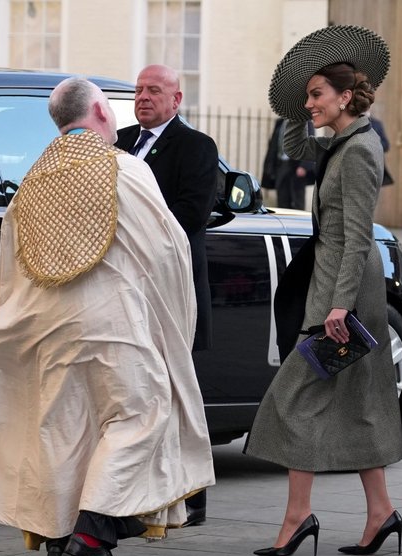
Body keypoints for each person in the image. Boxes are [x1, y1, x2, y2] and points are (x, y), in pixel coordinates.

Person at [0, 77, 215, 556]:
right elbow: (167, 250)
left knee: (64, 429)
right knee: (143, 414)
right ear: (98, 110)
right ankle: (92, 535)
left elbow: (10, 267)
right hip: (113, 324)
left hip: (44, 330)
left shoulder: (33, 179)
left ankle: (58, 544)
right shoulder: (125, 169)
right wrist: (170, 320)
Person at [245, 25, 402, 556]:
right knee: (357, 401)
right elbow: (296, 145)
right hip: (336, 286)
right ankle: (380, 513)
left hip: (343, 292)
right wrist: (303, 107)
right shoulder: (343, 142)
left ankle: (298, 516)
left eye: (316, 95)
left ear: (345, 95)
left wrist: (339, 304)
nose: (309, 103)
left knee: (294, 398)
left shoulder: (358, 150)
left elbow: (358, 234)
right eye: (308, 96)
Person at [116, 64, 219, 526]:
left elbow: (190, 215)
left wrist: (128, 234)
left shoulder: (197, 147)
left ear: (176, 100)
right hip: (124, 284)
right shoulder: (117, 142)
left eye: (154, 90)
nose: (143, 97)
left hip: (171, 284)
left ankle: (191, 497)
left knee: (178, 391)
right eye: (139, 89)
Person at [262, 118, 315, 209]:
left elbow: (310, 144)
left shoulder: (305, 121)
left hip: (296, 167)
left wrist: (304, 166)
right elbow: (273, 145)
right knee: (282, 200)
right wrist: (270, 167)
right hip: (281, 165)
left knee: (297, 202)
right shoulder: (279, 122)